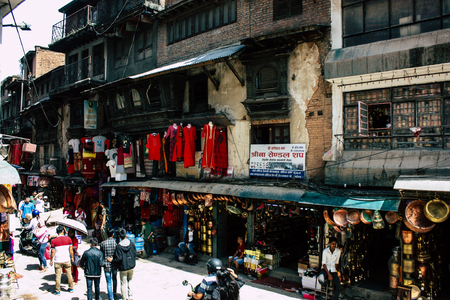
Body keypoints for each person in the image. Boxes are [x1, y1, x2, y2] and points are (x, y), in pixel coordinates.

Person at [109, 228, 136, 300]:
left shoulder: (119, 246)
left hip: (123, 267)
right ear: (126, 235)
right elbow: (134, 254)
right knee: (130, 280)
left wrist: (112, 260)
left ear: (119, 237)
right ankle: (131, 296)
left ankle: (125, 297)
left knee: (123, 283)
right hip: (131, 266)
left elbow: (119, 258)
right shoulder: (132, 244)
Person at [50, 225, 74, 295]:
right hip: (66, 259)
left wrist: (51, 260)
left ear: (57, 232)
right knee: (69, 274)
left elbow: (52, 252)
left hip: (58, 260)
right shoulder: (68, 239)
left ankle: (57, 290)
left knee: (58, 275)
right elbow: (71, 249)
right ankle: (71, 288)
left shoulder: (54, 241)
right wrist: (72, 257)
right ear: (63, 231)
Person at [100, 228, 118, 300]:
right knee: (114, 279)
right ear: (113, 234)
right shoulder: (115, 243)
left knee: (108, 281)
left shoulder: (103, 243)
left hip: (106, 265)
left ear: (106, 234)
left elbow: (101, 254)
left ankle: (111, 297)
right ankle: (114, 293)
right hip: (114, 264)